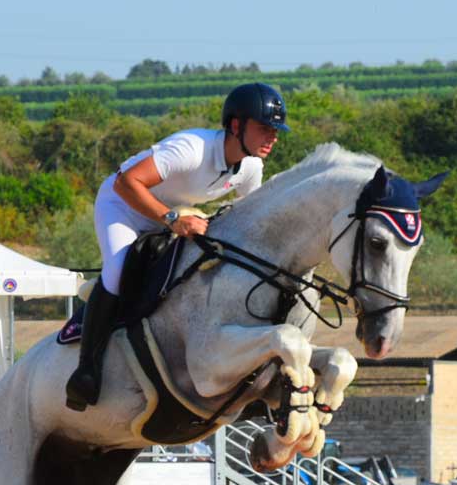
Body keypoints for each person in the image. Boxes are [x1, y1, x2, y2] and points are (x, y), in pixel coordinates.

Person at [65, 82, 289, 411]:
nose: (272, 137)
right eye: (264, 128)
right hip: (123, 205)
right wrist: (172, 220)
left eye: (276, 130)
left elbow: (251, 219)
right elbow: (126, 182)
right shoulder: (191, 148)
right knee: (117, 272)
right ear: (237, 125)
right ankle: (86, 371)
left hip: (168, 215)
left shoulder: (251, 167)